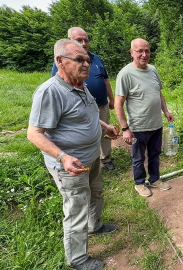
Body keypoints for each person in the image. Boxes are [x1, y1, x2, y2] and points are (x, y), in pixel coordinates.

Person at [28, 39, 118, 270]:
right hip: (71, 164)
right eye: (79, 60)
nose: (86, 64)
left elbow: (84, 116)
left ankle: (94, 225)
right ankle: (77, 259)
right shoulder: (50, 92)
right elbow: (34, 134)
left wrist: (103, 126)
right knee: (76, 208)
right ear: (60, 61)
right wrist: (63, 157)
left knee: (96, 193)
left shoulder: (81, 84)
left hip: (91, 156)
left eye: (87, 59)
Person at [115, 38, 174, 197]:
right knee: (139, 158)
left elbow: (158, 92)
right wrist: (125, 129)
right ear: (131, 52)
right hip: (138, 127)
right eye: (140, 51)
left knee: (155, 154)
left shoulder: (153, 70)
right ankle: (139, 183)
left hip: (156, 124)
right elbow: (118, 104)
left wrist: (166, 111)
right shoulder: (125, 74)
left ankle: (154, 179)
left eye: (147, 51)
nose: (144, 54)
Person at [51, 27, 116, 171]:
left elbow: (105, 80)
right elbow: (59, 85)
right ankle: (87, 160)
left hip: (100, 104)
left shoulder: (96, 58)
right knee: (86, 131)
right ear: (69, 40)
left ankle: (105, 158)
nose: (83, 43)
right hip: (78, 107)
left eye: (85, 40)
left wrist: (111, 98)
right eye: (79, 40)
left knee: (105, 130)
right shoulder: (63, 62)